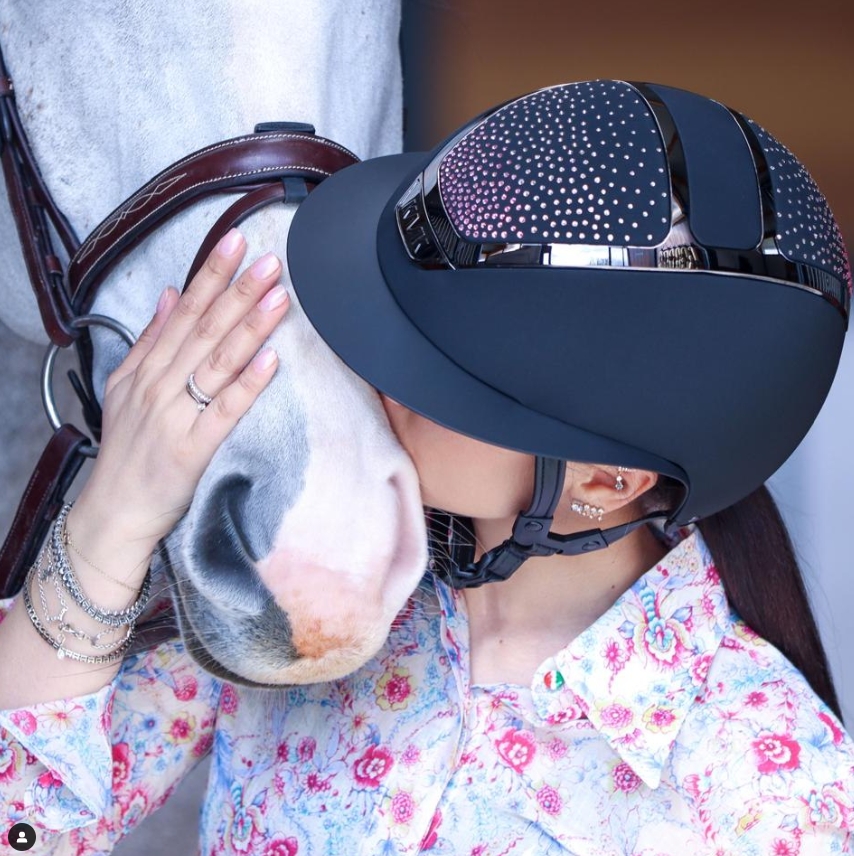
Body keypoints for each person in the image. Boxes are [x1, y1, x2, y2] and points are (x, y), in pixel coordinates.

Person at [1, 80, 852, 854]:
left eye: (438, 372)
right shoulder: (321, 582)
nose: (371, 367)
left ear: (601, 483)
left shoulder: (771, 793)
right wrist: (113, 519)